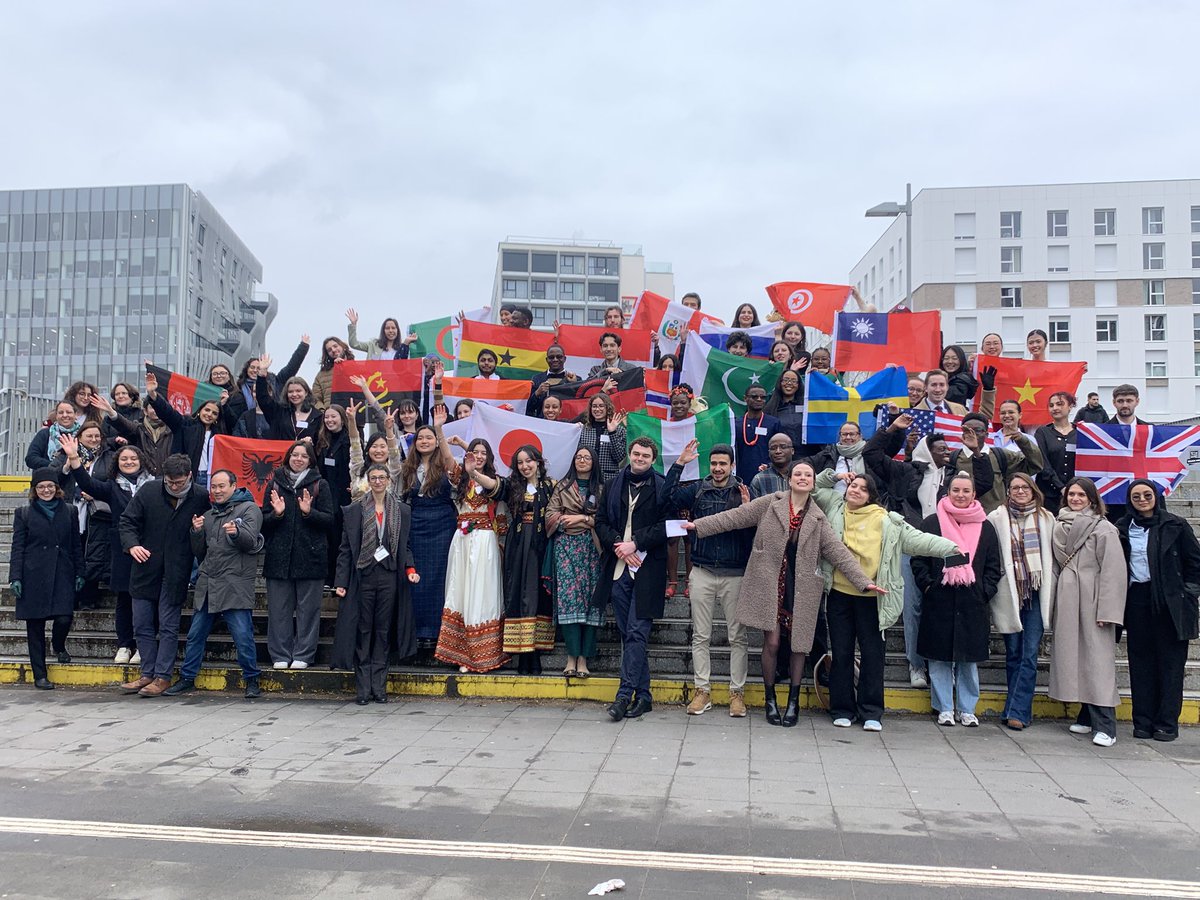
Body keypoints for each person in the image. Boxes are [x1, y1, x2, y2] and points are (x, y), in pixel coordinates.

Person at [686, 460, 879, 726]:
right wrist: (699, 526)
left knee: (799, 646)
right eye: (798, 474)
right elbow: (735, 517)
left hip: (801, 588)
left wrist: (863, 581)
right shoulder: (770, 503)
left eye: (808, 475)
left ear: (813, 482)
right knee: (773, 643)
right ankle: (770, 700)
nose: (802, 478)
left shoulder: (818, 517)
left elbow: (837, 552)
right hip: (770, 585)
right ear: (789, 479)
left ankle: (793, 702)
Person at [814, 469, 958, 731]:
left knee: (873, 655)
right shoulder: (834, 506)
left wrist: (951, 548)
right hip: (839, 595)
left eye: (863, 488)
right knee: (842, 653)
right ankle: (842, 709)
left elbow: (918, 540)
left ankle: (871, 711)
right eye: (853, 486)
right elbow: (814, 488)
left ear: (871, 495)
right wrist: (835, 477)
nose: (856, 490)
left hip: (874, 598)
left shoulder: (886, 520)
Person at [865, 419, 991, 689]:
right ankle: (916, 665)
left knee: (946, 610)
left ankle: (947, 665)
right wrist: (892, 429)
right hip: (911, 547)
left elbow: (983, 483)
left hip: (947, 549)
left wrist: (977, 452)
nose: (947, 452)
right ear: (926, 450)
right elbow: (871, 454)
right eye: (941, 448)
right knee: (913, 608)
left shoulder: (954, 477)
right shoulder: (905, 471)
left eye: (948, 448)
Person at [595, 437, 678, 720]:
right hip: (618, 568)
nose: (640, 459)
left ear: (653, 460)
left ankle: (623, 696)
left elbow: (668, 526)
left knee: (636, 632)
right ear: (629, 454)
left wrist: (636, 544)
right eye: (636, 454)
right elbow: (600, 522)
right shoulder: (613, 484)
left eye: (645, 456)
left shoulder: (662, 485)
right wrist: (619, 545)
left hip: (648, 569)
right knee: (628, 633)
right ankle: (643, 696)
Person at [669, 441, 754, 718]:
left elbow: (754, 536)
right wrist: (679, 464)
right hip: (702, 571)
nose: (718, 468)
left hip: (735, 574)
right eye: (714, 463)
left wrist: (747, 510)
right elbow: (666, 498)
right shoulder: (697, 489)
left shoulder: (744, 492)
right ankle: (702, 691)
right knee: (700, 636)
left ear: (732, 466)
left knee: (737, 637)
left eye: (723, 464)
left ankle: (736, 693)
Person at [161, 470, 263, 698]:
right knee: (195, 635)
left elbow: (251, 543)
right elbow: (200, 553)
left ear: (234, 486)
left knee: (242, 636)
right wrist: (196, 532)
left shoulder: (249, 509)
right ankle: (187, 678)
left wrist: (237, 533)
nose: (217, 491)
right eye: (214, 487)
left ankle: (252, 679)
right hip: (208, 584)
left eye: (221, 486)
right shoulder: (208, 515)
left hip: (235, 584)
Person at [912, 472, 1002, 727]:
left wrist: (984, 591)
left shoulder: (985, 526)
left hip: (972, 602)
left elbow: (993, 566)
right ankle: (944, 708)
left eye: (966, 491)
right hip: (939, 600)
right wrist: (928, 586)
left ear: (974, 494)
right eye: (956, 490)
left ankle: (967, 709)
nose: (960, 495)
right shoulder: (932, 523)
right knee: (939, 659)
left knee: (968, 660)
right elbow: (918, 559)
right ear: (947, 492)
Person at [118, 453, 210, 697]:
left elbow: (206, 535)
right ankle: (147, 673)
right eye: (170, 482)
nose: (174, 487)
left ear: (189, 476)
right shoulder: (149, 491)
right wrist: (132, 545)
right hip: (145, 567)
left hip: (176, 570)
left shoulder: (200, 496)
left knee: (168, 626)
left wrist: (198, 531)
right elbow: (127, 521)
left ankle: (163, 676)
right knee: (141, 624)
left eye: (179, 482)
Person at [1117, 480, 1200, 742]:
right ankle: (1142, 721)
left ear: (1156, 496)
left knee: (1171, 665)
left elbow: (1195, 563)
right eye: (1136, 496)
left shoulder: (1176, 525)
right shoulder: (1122, 528)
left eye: (1147, 495)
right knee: (1140, 663)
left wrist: (1187, 592)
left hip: (1170, 602)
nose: (1142, 500)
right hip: (1137, 600)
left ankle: (1166, 723)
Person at [60, 438, 154, 664]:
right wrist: (74, 458)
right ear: (117, 463)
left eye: (133, 458)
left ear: (141, 460)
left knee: (148, 599)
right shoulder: (112, 486)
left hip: (149, 548)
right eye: (124, 459)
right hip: (122, 549)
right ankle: (124, 644)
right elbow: (88, 484)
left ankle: (143, 645)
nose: (129, 462)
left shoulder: (154, 485)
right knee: (124, 598)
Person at [333, 462, 418, 704]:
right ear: (368, 481)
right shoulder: (355, 511)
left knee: (383, 630)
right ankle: (363, 688)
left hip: (389, 575)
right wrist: (341, 581)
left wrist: (410, 569)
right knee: (363, 629)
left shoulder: (401, 510)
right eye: (374, 478)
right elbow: (345, 549)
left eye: (382, 477)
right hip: (364, 575)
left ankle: (379, 686)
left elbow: (405, 546)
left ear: (389, 481)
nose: (378, 482)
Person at [1050, 478, 1126, 747]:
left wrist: (1108, 610)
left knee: (1097, 661)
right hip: (1069, 598)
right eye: (1072, 494)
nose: (1076, 499)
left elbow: (1114, 572)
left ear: (1092, 499)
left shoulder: (1104, 528)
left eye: (1082, 495)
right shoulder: (1058, 524)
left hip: (1093, 600)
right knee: (1076, 659)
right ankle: (1086, 716)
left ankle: (1107, 726)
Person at [988, 473, 1056, 730]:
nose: (1019, 491)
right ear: (1008, 492)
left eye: (1024, 487)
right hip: (1010, 592)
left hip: (1037, 591)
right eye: (1014, 487)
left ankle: (1017, 711)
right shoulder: (996, 518)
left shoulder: (1047, 518)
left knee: (1029, 653)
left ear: (1033, 490)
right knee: (1014, 653)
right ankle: (1015, 708)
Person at [262, 442, 334, 671]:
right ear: (288, 457)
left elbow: (329, 520)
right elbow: (263, 522)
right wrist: (277, 514)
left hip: (311, 557)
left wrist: (309, 513)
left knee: (308, 610)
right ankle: (280, 654)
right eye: (295, 455)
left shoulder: (320, 484)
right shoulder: (274, 483)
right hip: (279, 558)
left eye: (304, 456)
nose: (298, 459)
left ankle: (304, 653)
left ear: (311, 460)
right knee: (278, 610)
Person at [435, 438, 506, 674]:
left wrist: (472, 464)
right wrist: (439, 430)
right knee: (460, 591)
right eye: (475, 452)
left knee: (482, 592)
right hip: (462, 541)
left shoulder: (494, 480)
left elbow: (487, 486)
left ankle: (484, 654)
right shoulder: (461, 478)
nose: (479, 456)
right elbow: (447, 458)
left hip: (485, 541)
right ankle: (462, 655)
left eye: (484, 452)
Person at [10, 469, 83, 690]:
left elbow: (76, 544)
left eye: (50, 486)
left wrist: (80, 572)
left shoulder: (69, 511)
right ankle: (39, 675)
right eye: (41, 487)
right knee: (35, 626)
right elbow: (18, 547)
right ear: (35, 490)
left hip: (62, 571)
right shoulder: (23, 513)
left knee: (64, 618)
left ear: (57, 488)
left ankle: (58, 645)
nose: (46, 490)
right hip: (33, 574)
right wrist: (15, 577)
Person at [398, 410, 458, 663]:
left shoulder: (445, 464)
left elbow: (453, 465)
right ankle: (418, 637)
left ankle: (436, 637)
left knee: (438, 581)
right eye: (420, 438)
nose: (424, 441)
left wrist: (440, 429)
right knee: (416, 580)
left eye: (429, 437)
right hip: (416, 524)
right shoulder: (407, 468)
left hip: (442, 525)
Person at [546, 446, 605, 679]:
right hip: (565, 548)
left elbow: (605, 518)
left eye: (587, 457)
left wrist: (583, 519)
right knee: (568, 602)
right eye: (578, 457)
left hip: (592, 549)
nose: (582, 460)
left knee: (591, 602)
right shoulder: (562, 487)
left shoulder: (601, 489)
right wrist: (567, 521)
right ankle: (571, 657)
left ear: (594, 462)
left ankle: (583, 659)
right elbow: (550, 515)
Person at [499, 445, 556, 674]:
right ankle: (523, 652)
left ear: (538, 462)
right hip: (519, 545)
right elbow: (492, 485)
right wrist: (473, 472)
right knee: (519, 592)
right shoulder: (512, 486)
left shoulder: (551, 486)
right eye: (520, 462)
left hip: (542, 545)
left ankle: (536, 651)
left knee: (539, 593)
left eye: (529, 461)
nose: (525, 466)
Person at [144, 369, 226, 486]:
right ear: (199, 411)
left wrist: (225, 404)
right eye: (207, 410)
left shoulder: (219, 434)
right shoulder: (185, 424)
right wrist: (153, 394)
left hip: (213, 478)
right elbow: (168, 412)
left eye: (214, 413)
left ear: (217, 418)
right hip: (187, 477)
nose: (209, 414)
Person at [953, 413, 1043, 513]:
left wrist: (1022, 441)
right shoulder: (955, 458)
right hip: (962, 516)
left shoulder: (1000, 455)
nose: (973, 434)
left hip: (995, 516)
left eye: (977, 430)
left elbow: (1036, 465)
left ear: (987, 434)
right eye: (968, 431)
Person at [314, 404, 352, 583]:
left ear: (342, 419)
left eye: (333, 416)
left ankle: (339, 579)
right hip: (326, 497)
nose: (329, 420)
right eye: (327, 417)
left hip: (344, 497)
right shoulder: (322, 440)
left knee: (339, 539)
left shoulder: (349, 440)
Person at [1035, 391, 1076, 514]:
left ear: (1070, 406)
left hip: (1076, 493)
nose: (1055, 408)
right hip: (1049, 494)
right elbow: (1043, 462)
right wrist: (1061, 487)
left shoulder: (1080, 432)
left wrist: (1073, 489)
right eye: (1051, 405)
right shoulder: (1042, 432)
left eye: (1060, 404)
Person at [734, 385, 781, 486]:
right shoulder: (736, 424)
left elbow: (780, 449)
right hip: (741, 476)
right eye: (754, 397)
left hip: (766, 474)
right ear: (745, 398)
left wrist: (770, 465)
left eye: (763, 397)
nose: (759, 399)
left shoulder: (773, 423)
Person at [576, 392, 628, 482]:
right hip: (587, 479)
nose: (597, 409)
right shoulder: (583, 430)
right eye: (594, 406)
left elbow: (618, 457)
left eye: (601, 406)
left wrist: (612, 433)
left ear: (608, 408)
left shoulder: (619, 430)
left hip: (608, 480)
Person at [808, 421, 865, 495]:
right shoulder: (829, 453)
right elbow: (803, 465)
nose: (848, 437)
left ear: (860, 436)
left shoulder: (869, 453)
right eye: (844, 434)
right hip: (832, 500)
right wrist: (837, 477)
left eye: (852, 434)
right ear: (840, 436)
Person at [257, 374, 319, 443]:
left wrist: (312, 442)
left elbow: (321, 441)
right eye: (290, 392)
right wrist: (261, 377)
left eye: (298, 391)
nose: (294, 394)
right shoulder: (278, 412)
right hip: (280, 450)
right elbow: (263, 400)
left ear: (306, 392)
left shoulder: (318, 416)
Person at [919, 368, 996, 418]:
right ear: (925, 388)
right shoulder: (916, 412)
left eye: (942, 385)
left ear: (947, 387)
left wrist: (988, 390)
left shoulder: (959, 409)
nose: (938, 389)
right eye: (933, 385)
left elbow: (981, 423)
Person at [527, 344, 579, 418]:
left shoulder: (576, 379)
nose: (555, 359)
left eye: (559, 357)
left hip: (567, 422)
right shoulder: (537, 379)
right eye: (551, 357)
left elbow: (579, 406)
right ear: (546, 360)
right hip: (542, 422)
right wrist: (537, 393)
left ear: (564, 359)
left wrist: (574, 385)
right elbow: (528, 409)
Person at [25, 401, 80, 471]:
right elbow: (31, 459)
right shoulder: (44, 434)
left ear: (76, 415)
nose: (65, 415)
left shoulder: (82, 435)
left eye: (69, 412)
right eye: (61, 412)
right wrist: (55, 466)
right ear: (56, 415)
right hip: (47, 475)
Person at [345, 308, 416, 359]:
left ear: (397, 330)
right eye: (387, 328)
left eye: (393, 328)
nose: (390, 330)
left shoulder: (402, 348)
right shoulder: (373, 345)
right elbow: (354, 344)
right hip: (376, 376)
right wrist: (353, 324)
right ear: (383, 331)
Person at [311, 336, 355, 409]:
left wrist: (343, 366)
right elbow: (315, 398)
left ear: (343, 347)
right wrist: (323, 412)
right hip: (330, 414)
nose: (333, 350)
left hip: (354, 412)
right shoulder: (321, 375)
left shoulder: (357, 367)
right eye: (329, 350)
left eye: (335, 346)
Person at [750, 433, 795, 498]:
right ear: (769, 453)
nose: (778, 451)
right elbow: (754, 504)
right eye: (773, 448)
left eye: (783, 447)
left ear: (792, 451)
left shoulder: (803, 476)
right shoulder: (759, 479)